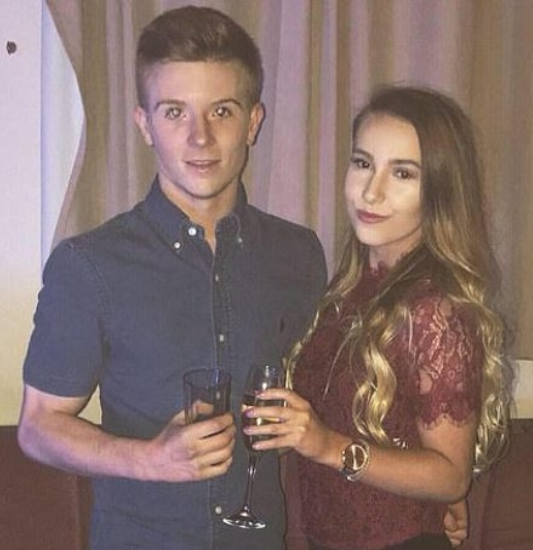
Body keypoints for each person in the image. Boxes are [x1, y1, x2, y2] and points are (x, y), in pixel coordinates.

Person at [17, 6, 327, 549]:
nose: (200, 137)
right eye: (175, 112)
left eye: (222, 111)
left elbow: (333, 392)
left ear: (253, 122)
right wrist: (149, 459)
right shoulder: (89, 266)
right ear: (145, 125)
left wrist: (420, 502)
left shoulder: (297, 255)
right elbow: (38, 426)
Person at [245, 86, 513, 550]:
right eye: (363, 163)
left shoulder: (435, 310)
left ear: (439, 191)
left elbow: (451, 476)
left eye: (403, 173)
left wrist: (326, 446)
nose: (372, 191)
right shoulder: (349, 288)